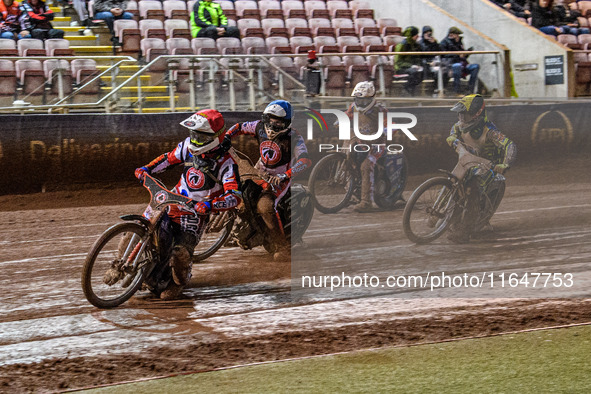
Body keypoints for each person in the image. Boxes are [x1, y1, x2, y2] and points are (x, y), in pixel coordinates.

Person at [128, 109, 242, 300]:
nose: (194, 139)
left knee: (180, 253)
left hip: (194, 213)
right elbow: (168, 159)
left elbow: (234, 196)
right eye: (193, 134)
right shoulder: (188, 146)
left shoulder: (227, 164)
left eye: (200, 136)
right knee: (139, 228)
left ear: (214, 138)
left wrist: (210, 205)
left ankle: (178, 282)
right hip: (171, 199)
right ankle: (132, 267)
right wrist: (146, 169)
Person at [225, 100, 311, 260]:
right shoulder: (258, 126)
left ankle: (282, 246)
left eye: (277, 123)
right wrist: (227, 137)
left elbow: (305, 160)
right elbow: (238, 127)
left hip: (279, 178)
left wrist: (285, 175)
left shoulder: (294, 137)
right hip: (258, 170)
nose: (272, 126)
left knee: (265, 207)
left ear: (286, 123)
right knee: (237, 192)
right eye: (270, 121)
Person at [445, 94, 517, 243]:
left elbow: (510, 145)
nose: (461, 118)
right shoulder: (459, 125)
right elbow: (452, 134)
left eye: (464, 115)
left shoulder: (490, 131)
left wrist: (505, 164)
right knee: (453, 182)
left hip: (488, 167)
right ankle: (451, 217)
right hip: (468, 162)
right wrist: (452, 139)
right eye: (460, 115)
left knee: (472, 190)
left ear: (476, 114)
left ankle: (464, 232)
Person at [345, 81, 389, 213]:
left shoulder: (380, 109)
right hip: (360, 139)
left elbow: (390, 123)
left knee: (366, 166)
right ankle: (350, 191)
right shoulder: (353, 106)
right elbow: (348, 114)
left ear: (371, 99)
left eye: (364, 100)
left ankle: (366, 202)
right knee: (346, 154)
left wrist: (387, 129)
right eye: (358, 99)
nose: (361, 103)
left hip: (377, 144)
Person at [439, 26, 480, 95]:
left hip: (463, 64)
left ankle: (470, 89)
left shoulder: (459, 42)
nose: (458, 36)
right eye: (456, 34)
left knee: (475, 66)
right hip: (451, 65)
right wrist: (457, 55)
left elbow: (463, 56)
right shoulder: (444, 43)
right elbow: (444, 55)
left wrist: (467, 52)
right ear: (451, 34)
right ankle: (456, 91)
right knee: (457, 66)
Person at [394, 26, 424, 96]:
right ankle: (407, 89)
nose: (417, 37)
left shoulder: (415, 45)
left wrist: (418, 65)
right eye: (416, 35)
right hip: (401, 68)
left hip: (412, 67)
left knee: (423, 71)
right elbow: (398, 62)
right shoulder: (402, 45)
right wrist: (411, 66)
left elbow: (417, 57)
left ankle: (410, 90)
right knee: (413, 72)